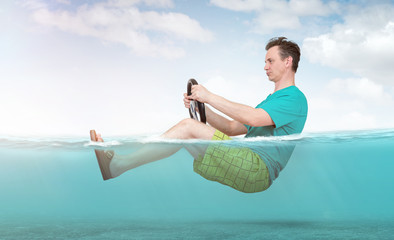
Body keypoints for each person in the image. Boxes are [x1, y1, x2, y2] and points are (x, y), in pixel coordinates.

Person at [91, 37, 308, 193]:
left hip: (257, 168)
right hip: (247, 164)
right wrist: (203, 106)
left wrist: (209, 96)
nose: (265, 66)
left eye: (270, 61)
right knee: (187, 133)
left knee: (188, 127)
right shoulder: (272, 101)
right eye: (265, 61)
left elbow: (252, 117)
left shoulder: (294, 99)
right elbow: (232, 128)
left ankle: (118, 164)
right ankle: (118, 165)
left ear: (287, 61)